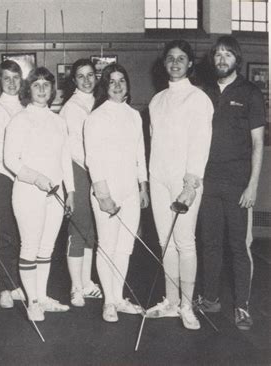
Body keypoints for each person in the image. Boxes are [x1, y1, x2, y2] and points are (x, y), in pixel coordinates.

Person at [198, 36, 265, 331]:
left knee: (238, 246)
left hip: (238, 185)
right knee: (210, 244)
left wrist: (252, 186)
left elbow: (258, 144)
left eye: (227, 54)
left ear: (237, 59)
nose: (222, 59)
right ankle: (210, 299)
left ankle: (242, 307)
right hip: (208, 183)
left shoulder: (250, 92)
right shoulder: (205, 93)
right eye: (218, 55)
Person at [145, 40, 213, 330]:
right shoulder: (156, 100)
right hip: (159, 178)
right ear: (164, 63)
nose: (175, 63)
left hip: (186, 181)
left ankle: (187, 305)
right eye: (170, 58)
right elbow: (155, 143)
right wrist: (150, 182)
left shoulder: (198, 99)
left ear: (190, 64)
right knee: (165, 242)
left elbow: (201, 143)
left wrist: (191, 183)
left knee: (185, 243)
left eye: (181, 58)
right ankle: (171, 302)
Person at [4, 67, 74, 321]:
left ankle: (42, 297)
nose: (42, 89)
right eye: (36, 85)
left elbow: (65, 158)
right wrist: (36, 178)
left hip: (55, 193)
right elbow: (10, 159)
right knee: (30, 246)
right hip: (27, 192)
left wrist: (71, 191)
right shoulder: (20, 120)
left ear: (52, 90)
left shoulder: (59, 121)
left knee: (47, 248)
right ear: (28, 89)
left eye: (47, 84)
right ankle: (32, 301)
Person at [84, 63, 149, 322]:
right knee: (107, 247)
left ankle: (118, 297)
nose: (118, 85)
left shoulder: (134, 115)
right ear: (105, 86)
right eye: (112, 81)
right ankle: (108, 302)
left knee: (125, 248)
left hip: (130, 191)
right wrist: (103, 195)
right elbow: (93, 160)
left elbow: (140, 154)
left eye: (122, 80)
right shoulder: (96, 117)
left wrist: (143, 187)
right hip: (106, 193)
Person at [60, 59, 103, 307]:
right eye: (81, 76)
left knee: (90, 232)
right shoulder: (72, 107)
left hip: (96, 171)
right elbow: (75, 149)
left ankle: (86, 283)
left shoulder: (98, 103)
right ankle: (76, 287)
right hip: (79, 171)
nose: (86, 80)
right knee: (78, 229)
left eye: (90, 75)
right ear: (73, 80)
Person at [0, 60, 26, 308]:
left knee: (24, 233)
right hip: (3, 176)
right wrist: (18, 167)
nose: (12, 83)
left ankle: (18, 283)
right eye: (7, 78)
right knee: (5, 234)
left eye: (16, 78)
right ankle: (4, 287)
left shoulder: (25, 108)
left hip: (25, 178)